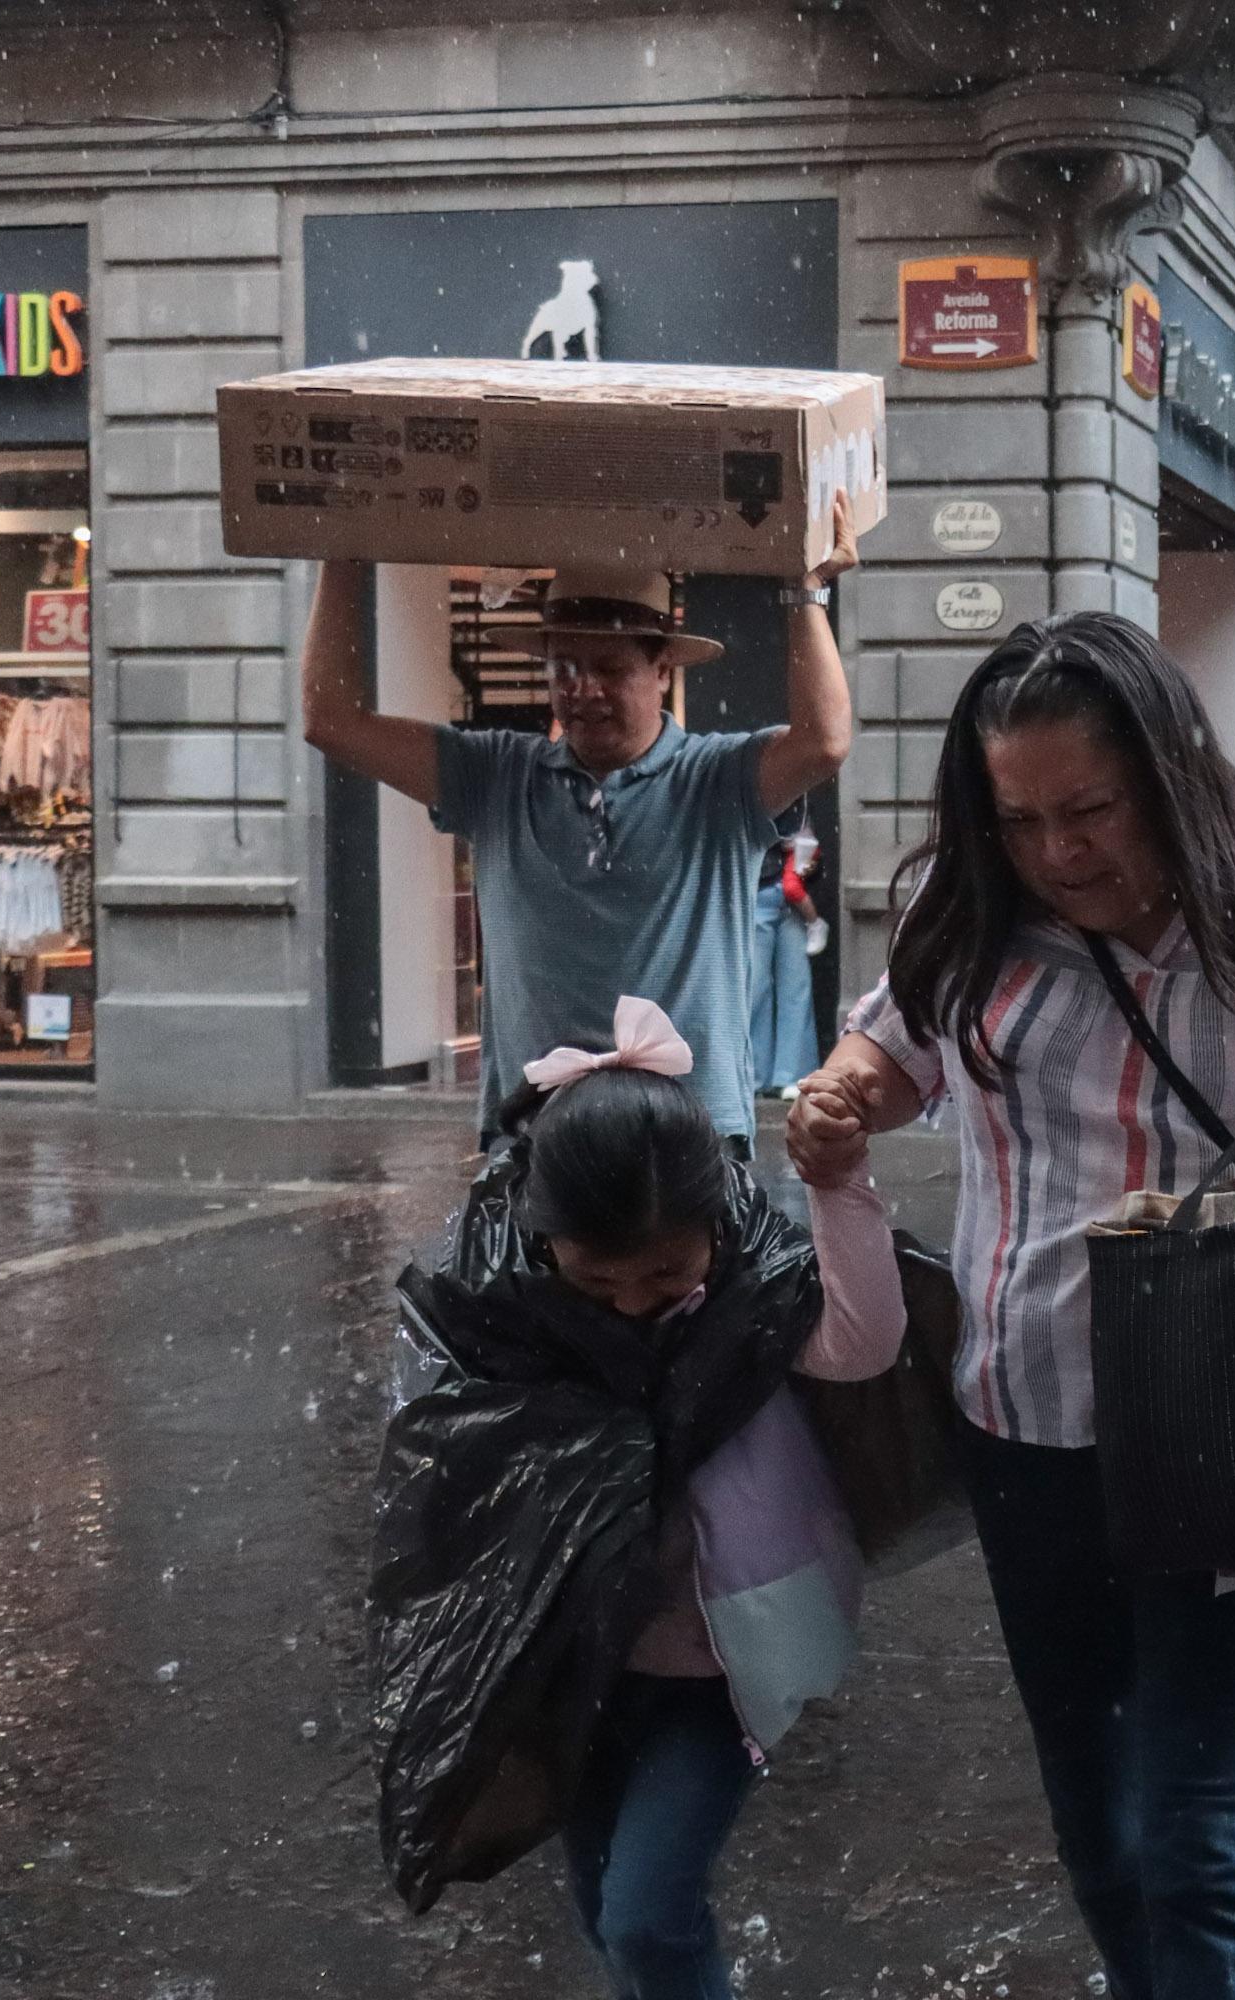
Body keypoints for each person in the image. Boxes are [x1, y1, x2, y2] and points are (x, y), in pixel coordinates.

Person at [786, 612, 1235, 2000]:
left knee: (1203, 1840)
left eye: (1091, 811)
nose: (1060, 853)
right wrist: (839, 1103)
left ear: (1167, 773)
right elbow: (890, 1052)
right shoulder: (977, 910)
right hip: (1028, 1422)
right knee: (1102, 1832)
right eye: (1021, 820)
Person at [377, 998, 905, 1997]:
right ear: (542, 1243)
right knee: (605, 1905)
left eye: (665, 1272)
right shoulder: (497, 1323)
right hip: (579, 1654)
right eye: (598, 1277)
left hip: (721, 1663)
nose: (630, 1300)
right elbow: (435, 1466)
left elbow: (863, 1341)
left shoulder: (754, 1300)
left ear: (715, 1225)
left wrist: (841, 1189)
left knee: (648, 1913)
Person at [302, 497, 861, 1150]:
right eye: (564, 667)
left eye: (610, 669)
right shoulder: (495, 776)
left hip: (688, 1137)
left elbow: (824, 741)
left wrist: (806, 593)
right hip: (536, 1136)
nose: (583, 689)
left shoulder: (718, 780)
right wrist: (338, 554)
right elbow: (331, 722)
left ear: (662, 671)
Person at [747, 821, 823, 1098]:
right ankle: (757, 1076)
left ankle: (791, 1075)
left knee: (796, 985)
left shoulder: (798, 801)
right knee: (756, 989)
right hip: (759, 891)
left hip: (788, 892)